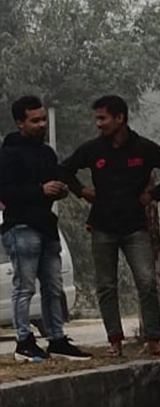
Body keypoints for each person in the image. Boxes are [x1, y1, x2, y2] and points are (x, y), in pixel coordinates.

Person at [60, 95, 160, 357]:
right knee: (107, 286)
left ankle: (153, 340)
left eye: (103, 118)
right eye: (97, 118)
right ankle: (114, 342)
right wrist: (81, 190)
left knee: (146, 282)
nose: (98, 124)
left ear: (120, 118)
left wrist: (153, 195)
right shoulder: (93, 149)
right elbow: (63, 169)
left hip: (135, 228)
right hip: (102, 227)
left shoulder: (143, 148)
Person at [0, 96, 92, 362]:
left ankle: (57, 338)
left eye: (43, 119)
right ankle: (23, 341)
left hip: (47, 227)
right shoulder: (8, 154)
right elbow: (6, 192)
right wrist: (39, 190)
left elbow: (51, 184)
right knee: (24, 286)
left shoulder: (47, 153)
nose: (41, 125)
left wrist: (58, 191)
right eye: (35, 120)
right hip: (21, 227)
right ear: (20, 123)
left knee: (53, 287)